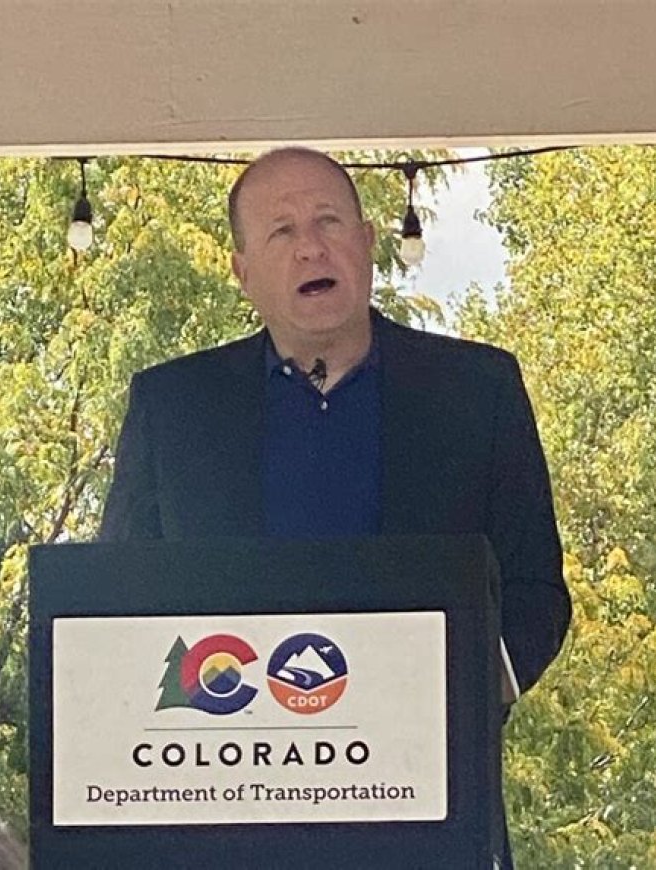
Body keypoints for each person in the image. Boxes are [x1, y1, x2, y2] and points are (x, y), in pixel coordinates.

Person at [99, 146, 571, 866]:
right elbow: (118, 607)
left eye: (328, 222)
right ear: (242, 272)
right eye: (281, 232)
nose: (310, 247)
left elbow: (536, 590)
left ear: (366, 242)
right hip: (224, 808)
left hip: (424, 809)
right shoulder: (173, 407)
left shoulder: (479, 391)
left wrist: (466, 696)